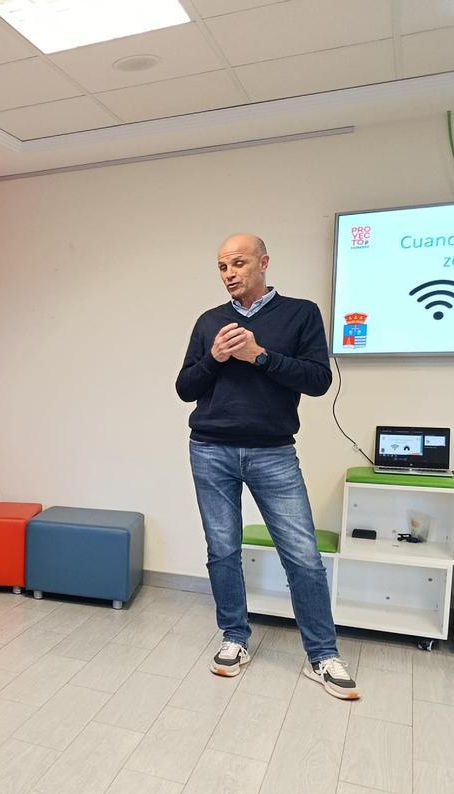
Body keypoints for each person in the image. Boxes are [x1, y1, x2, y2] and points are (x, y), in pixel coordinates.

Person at [175, 233, 359, 700]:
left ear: (263, 263)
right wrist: (215, 357)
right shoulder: (209, 321)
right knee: (222, 550)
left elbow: (318, 380)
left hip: (272, 451)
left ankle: (323, 655)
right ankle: (235, 638)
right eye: (221, 266)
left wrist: (259, 355)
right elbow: (185, 387)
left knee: (302, 554)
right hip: (210, 448)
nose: (229, 273)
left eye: (238, 263)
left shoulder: (300, 314)